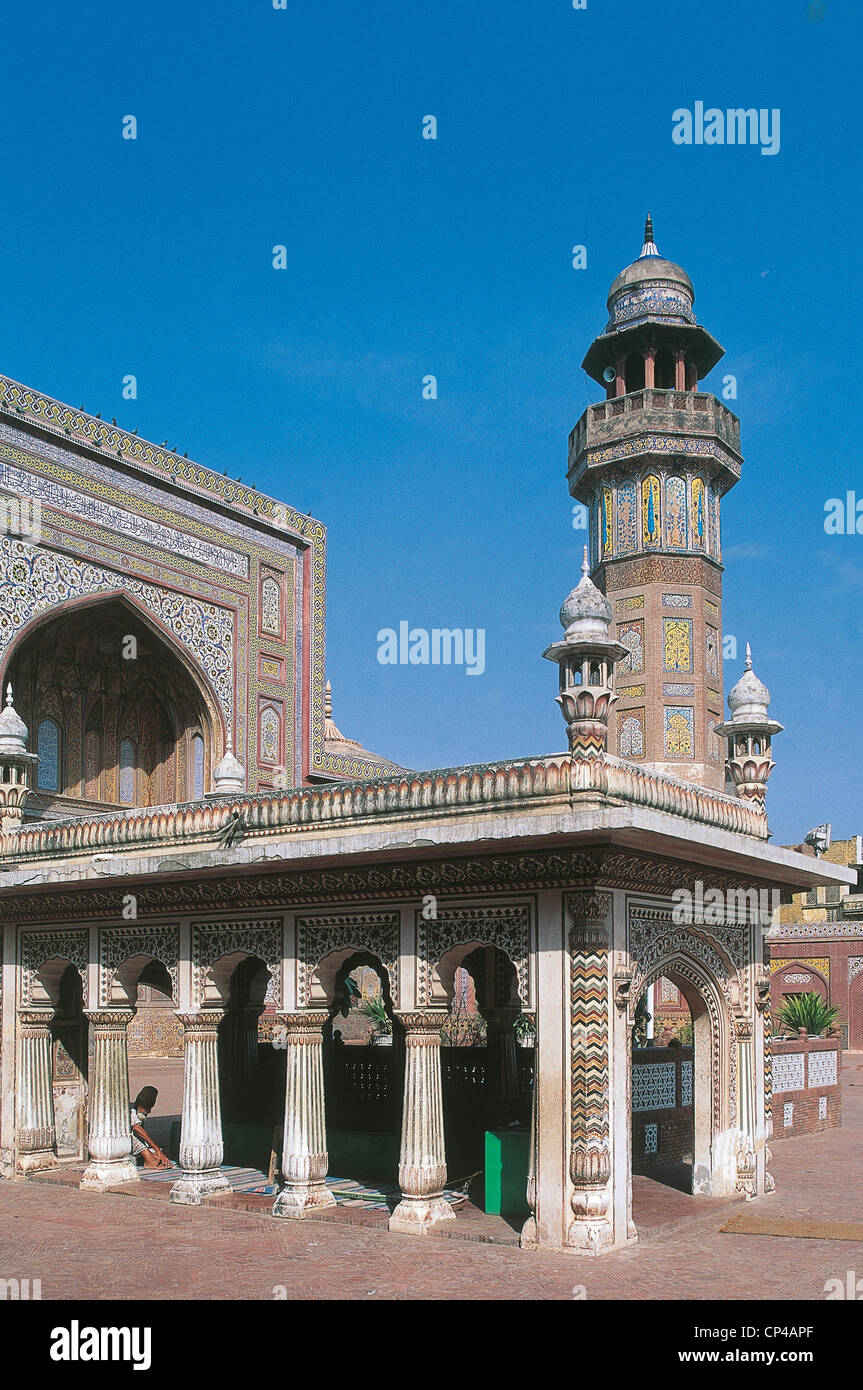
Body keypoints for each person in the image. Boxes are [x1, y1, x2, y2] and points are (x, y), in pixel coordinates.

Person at [130, 1086, 173, 1169]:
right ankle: (150, 1160)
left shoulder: (138, 1113)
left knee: (155, 1153)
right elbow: (137, 1128)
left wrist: (157, 1152)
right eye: (147, 1108)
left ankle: (153, 1158)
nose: (149, 1112)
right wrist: (157, 1149)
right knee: (135, 1138)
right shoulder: (132, 1111)